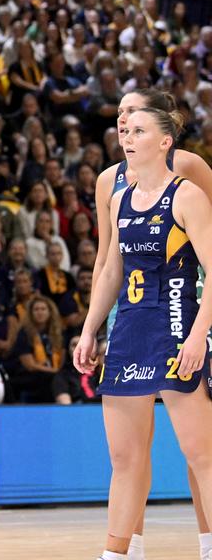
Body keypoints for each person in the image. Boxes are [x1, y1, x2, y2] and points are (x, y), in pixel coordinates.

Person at [74, 106, 212, 560]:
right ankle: (117, 555)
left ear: (165, 142)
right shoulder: (118, 198)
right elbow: (111, 270)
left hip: (176, 326)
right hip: (130, 328)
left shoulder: (188, 194)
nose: (127, 138)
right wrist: (91, 327)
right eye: (125, 130)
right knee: (125, 459)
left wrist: (197, 335)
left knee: (202, 454)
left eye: (139, 131)